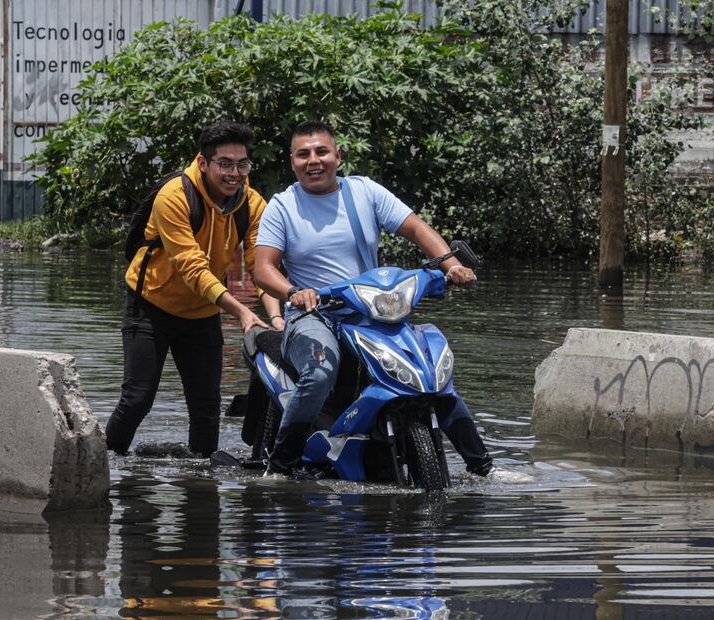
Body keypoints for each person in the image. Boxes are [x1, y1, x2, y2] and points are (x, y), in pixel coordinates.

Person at [254, 120, 494, 478]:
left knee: (431, 372)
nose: (313, 160)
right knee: (320, 371)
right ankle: (280, 466)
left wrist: (451, 264)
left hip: (371, 310)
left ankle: (483, 467)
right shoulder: (283, 206)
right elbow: (263, 269)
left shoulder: (364, 191)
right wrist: (294, 292)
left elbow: (415, 227)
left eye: (321, 151)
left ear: (338, 155)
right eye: (303, 154)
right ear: (292, 162)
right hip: (313, 313)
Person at [106, 121, 284, 458]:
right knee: (137, 399)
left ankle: (202, 484)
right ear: (203, 162)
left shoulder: (252, 203)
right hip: (150, 305)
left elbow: (261, 268)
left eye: (242, 164)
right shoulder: (174, 195)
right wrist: (243, 312)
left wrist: (275, 318)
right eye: (225, 164)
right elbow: (192, 267)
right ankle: (104, 461)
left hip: (202, 313)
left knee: (206, 408)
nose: (235, 173)